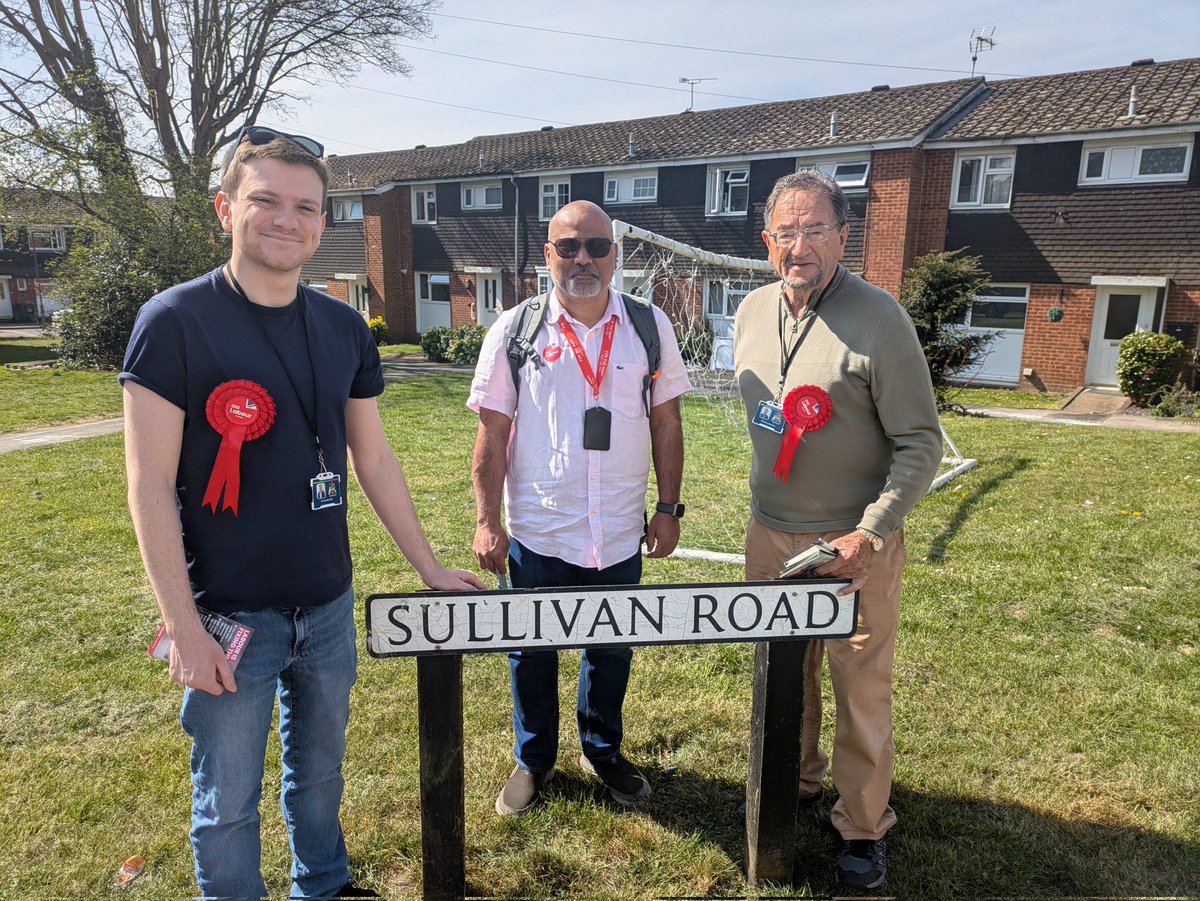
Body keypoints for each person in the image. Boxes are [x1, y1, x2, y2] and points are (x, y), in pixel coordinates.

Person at [120, 125, 483, 900]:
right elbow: (148, 485)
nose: (288, 220)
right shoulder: (173, 320)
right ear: (225, 208)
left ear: (325, 222)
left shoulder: (346, 327)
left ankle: (323, 884)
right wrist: (181, 627)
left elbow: (374, 459)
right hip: (224, 612)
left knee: (318, 772)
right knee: (227, 803)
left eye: (307, 207)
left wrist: (427, 566)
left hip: (325, 602)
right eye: (266, 201)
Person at [733, 170, 942, 890]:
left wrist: (872, 532)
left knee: (859, 686)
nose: (800, 246)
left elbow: (921, 441)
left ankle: (861, 826)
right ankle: (794, 783)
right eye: (786, 232)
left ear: (843, 236)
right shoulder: (753, 311)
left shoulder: (881, 318)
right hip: (771, 535)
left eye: (815, 229)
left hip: (853, 547)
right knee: (781, 677)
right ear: (767, 243)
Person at [468, 200, 692, 817]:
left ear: (615, 255)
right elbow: (491, 433)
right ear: (549, 257)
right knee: (530, 650)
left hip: (618, 531)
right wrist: (489, 521)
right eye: (568, 247)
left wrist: (668, 506)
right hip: (538, 532)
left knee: (611, 648)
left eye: (596, 245)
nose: (583, 258)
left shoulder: (650, 326)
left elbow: (667, 423)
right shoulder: (514, 330)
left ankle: (603, 750)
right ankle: (534, 759)